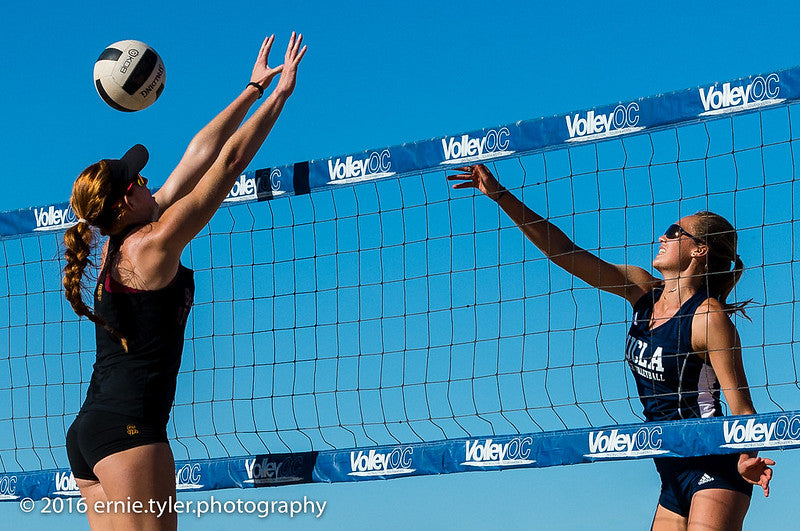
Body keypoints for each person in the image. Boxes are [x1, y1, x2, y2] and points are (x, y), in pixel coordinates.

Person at [62, 33, 306, 529]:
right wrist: (281, 97)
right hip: (130, 435)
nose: (151, 181)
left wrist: (252, 89)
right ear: (126, 201)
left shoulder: (116, 241)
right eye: (139, 180)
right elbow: (229, 163)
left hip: (92, 433)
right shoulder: (153, 244)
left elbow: (198, 155)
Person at [448, 164, 774, 530]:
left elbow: (743, 408)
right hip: (669, 465)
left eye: (673, 232)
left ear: (699, 250)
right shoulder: (641, 290)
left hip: (712, 461)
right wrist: (500, 196)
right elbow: (564, 252)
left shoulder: (707, 318)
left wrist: (747, 456)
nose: (662, 237)